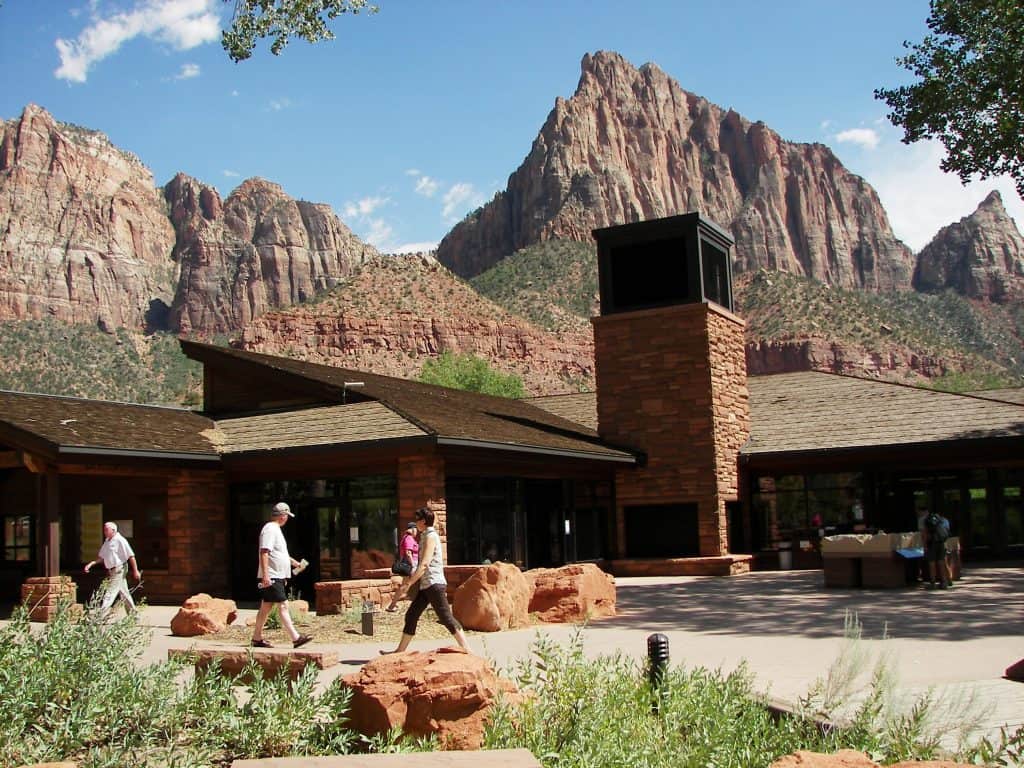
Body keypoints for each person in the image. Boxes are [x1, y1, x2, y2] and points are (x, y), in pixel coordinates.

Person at [380, 506, 469, 654]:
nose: (415, 523)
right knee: (412, 615)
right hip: (426, 585)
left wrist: (409, 583)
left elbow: (425, 564)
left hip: (434, 584)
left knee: (446, 617)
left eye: (417, 520)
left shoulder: (430, 536)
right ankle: (399, 651)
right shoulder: (424, 536)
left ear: (423, 521)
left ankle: (467, 650)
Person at [251, 502, 313, 648]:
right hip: (272, 575)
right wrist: (266, 575)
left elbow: (280, 554)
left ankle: (256, 638)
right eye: (287, 516)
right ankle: (296, 638)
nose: (287, 518)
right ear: (283, 516)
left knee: (266, 607)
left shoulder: (275, 530)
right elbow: (264, 551)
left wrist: (295, 564)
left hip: (276, 575)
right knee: (283, 605)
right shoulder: (270, 529)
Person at [83, 521, 142, 618]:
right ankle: (134, 616)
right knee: (124, 593)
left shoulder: (120, 540)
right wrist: (91, 564)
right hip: (112, 570)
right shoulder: (107, 541)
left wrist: (135, 570)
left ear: (113, 530)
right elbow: (102, 558)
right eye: (104, 529)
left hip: (119, 569)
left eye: (106, 530)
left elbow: (131, 556)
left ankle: (100, 615)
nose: (104, 531)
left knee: (110, 592)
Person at [385, 521, 419, 612]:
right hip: (412, 564)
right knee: (405, 585)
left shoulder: (407, 538)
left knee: (405, 585)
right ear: (412, 529)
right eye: (416, 529)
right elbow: (408, 553)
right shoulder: (409, 538)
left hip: (413, 564)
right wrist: (413, 566)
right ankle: (391, 605)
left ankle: (392, 605)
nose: (417, 532)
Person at [922, 509, 953, 589]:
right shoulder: (942, 520)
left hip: (931, 544)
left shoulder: (927, 520)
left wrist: (925, 546)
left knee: (932, 564)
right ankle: (944, 582)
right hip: (941, 543)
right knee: (941, 563)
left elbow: (925, 533)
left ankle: (933, 583)